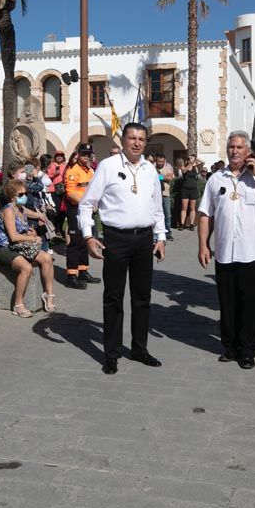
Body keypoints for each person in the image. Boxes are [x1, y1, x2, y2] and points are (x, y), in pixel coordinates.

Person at [80, 123, 166, 375]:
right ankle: (112, 353)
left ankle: (140, 349)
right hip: (116, 239)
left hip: (144, 241)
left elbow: (157, 207)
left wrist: (160, 237)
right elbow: (87, 204)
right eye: (132, 138)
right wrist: (88, 236)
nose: (137, 143)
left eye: (141, 139)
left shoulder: (150, 170)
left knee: (142, 298)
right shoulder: (108, 167)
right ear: (124, 139)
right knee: (114, 298)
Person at [198, 132, 255, 369]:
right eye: (231, 147)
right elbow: (206, 214)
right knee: (228, 302)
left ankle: (248, 348)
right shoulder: (216, 179)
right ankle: (230, 344)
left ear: (249, 151)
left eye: (239, 147)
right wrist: (203, 244)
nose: (234, 151)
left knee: (251, 303)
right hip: (225, 251)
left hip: (254, 252)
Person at [0, 179, 58, 315]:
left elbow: (34, 215)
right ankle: (18, 305)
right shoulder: (9, 211)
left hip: (19, 246)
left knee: (47, 258)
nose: (24, 197)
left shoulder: (21, 209)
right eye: (20, 194)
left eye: (25, 193)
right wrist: (34, 238)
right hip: (4, 248)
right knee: (26, 268)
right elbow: (13, 237)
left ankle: (48, 294)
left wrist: (40, 219)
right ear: (12, 197)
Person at [64, 143, 99, 289]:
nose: (86, 156)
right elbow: (70, 193)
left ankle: (83, 271)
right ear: (78, 154)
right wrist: (87, 204)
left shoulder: (90, 170)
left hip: (87, 210)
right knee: (75, 242)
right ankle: (72, 276)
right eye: (83, 153)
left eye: (88, 154)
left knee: (85, 240)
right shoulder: (73, 170)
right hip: (76, 209)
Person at [155, 155, 175, 239]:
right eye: (158, 161)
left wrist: (158, 176)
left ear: (164, 161)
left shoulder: (168, 167)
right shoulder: (152, 167)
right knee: (156, 214)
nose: (160, 163)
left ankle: (168, 233)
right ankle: (156, 233)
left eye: (161, 161)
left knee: (167, 214)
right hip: (155, 194)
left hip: (165, 194)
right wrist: (163, 177)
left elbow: (169, 177)